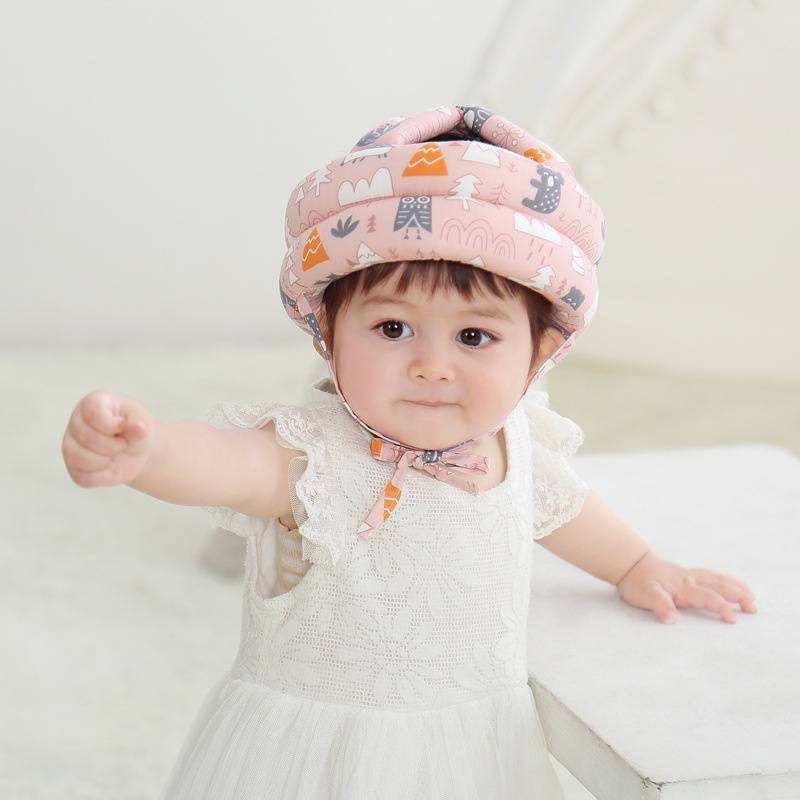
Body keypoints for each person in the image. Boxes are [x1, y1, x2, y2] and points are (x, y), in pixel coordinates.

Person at [61, 104, 758, 799]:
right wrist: (149, 454)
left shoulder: (515, 442)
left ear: (541, 351)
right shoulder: (314, 456)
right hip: (322, 759)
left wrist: (636, 564)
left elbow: (563, 509)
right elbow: (226, 463)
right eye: (392, 328)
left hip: (477, 744)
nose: (431, 366)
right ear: (327, 333)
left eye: (474, 337)